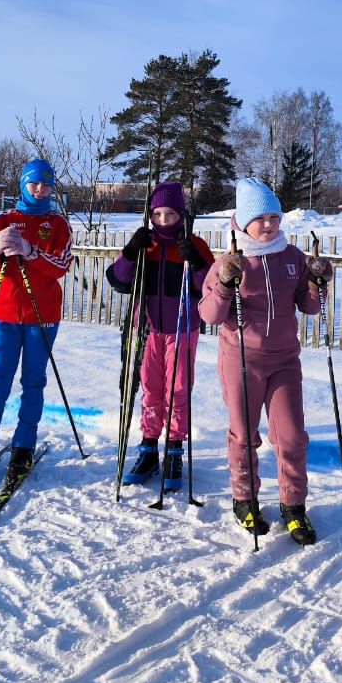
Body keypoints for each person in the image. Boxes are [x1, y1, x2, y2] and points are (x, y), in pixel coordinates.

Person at [198, 177, 331, 545]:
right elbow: (209, 314)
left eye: (275, 216)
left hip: (285, 360)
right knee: (243, 434)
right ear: (242, 222)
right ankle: (245, 498)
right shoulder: (230, 261)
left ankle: (294, 506)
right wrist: (226, 283)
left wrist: (318, 282)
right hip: (241, 358)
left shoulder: (293, 257)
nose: (270, 224)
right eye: (261, 218)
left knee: (291, 437)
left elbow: (311, 307)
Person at [0, 158, 73, 484]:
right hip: (6, 313)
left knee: (33, 382)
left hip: (43, 315)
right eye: (34, 183)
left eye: (46, 184)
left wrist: (31, 251)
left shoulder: (58, 224)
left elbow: (60, 265)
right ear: (24, 184)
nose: (40, 189)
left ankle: (24, 446)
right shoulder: (4, 220)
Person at [107, 182, 215, 491]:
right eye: (158, 214)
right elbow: (119, 280)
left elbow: (207, 288)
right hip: (149, 327)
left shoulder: (195, 244)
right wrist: (130, 251)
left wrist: (194, 261)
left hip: (182, 328)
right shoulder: (145, 244)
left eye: (170, 214)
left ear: (181, 214)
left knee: (177, 389)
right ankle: (148, 448)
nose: (164, 220)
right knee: (150, 387)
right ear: (150, 215)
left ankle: (175, 450)